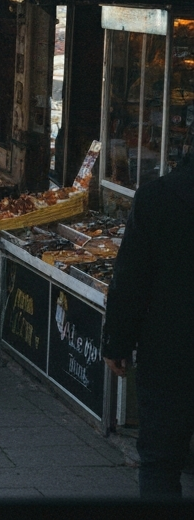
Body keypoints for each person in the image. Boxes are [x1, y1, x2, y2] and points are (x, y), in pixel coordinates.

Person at [103, 151, 194, 497]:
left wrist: (117, 343)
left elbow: (130, 280)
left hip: (169, 351)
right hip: (168, 352)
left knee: (159, 462)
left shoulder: (158, 198)